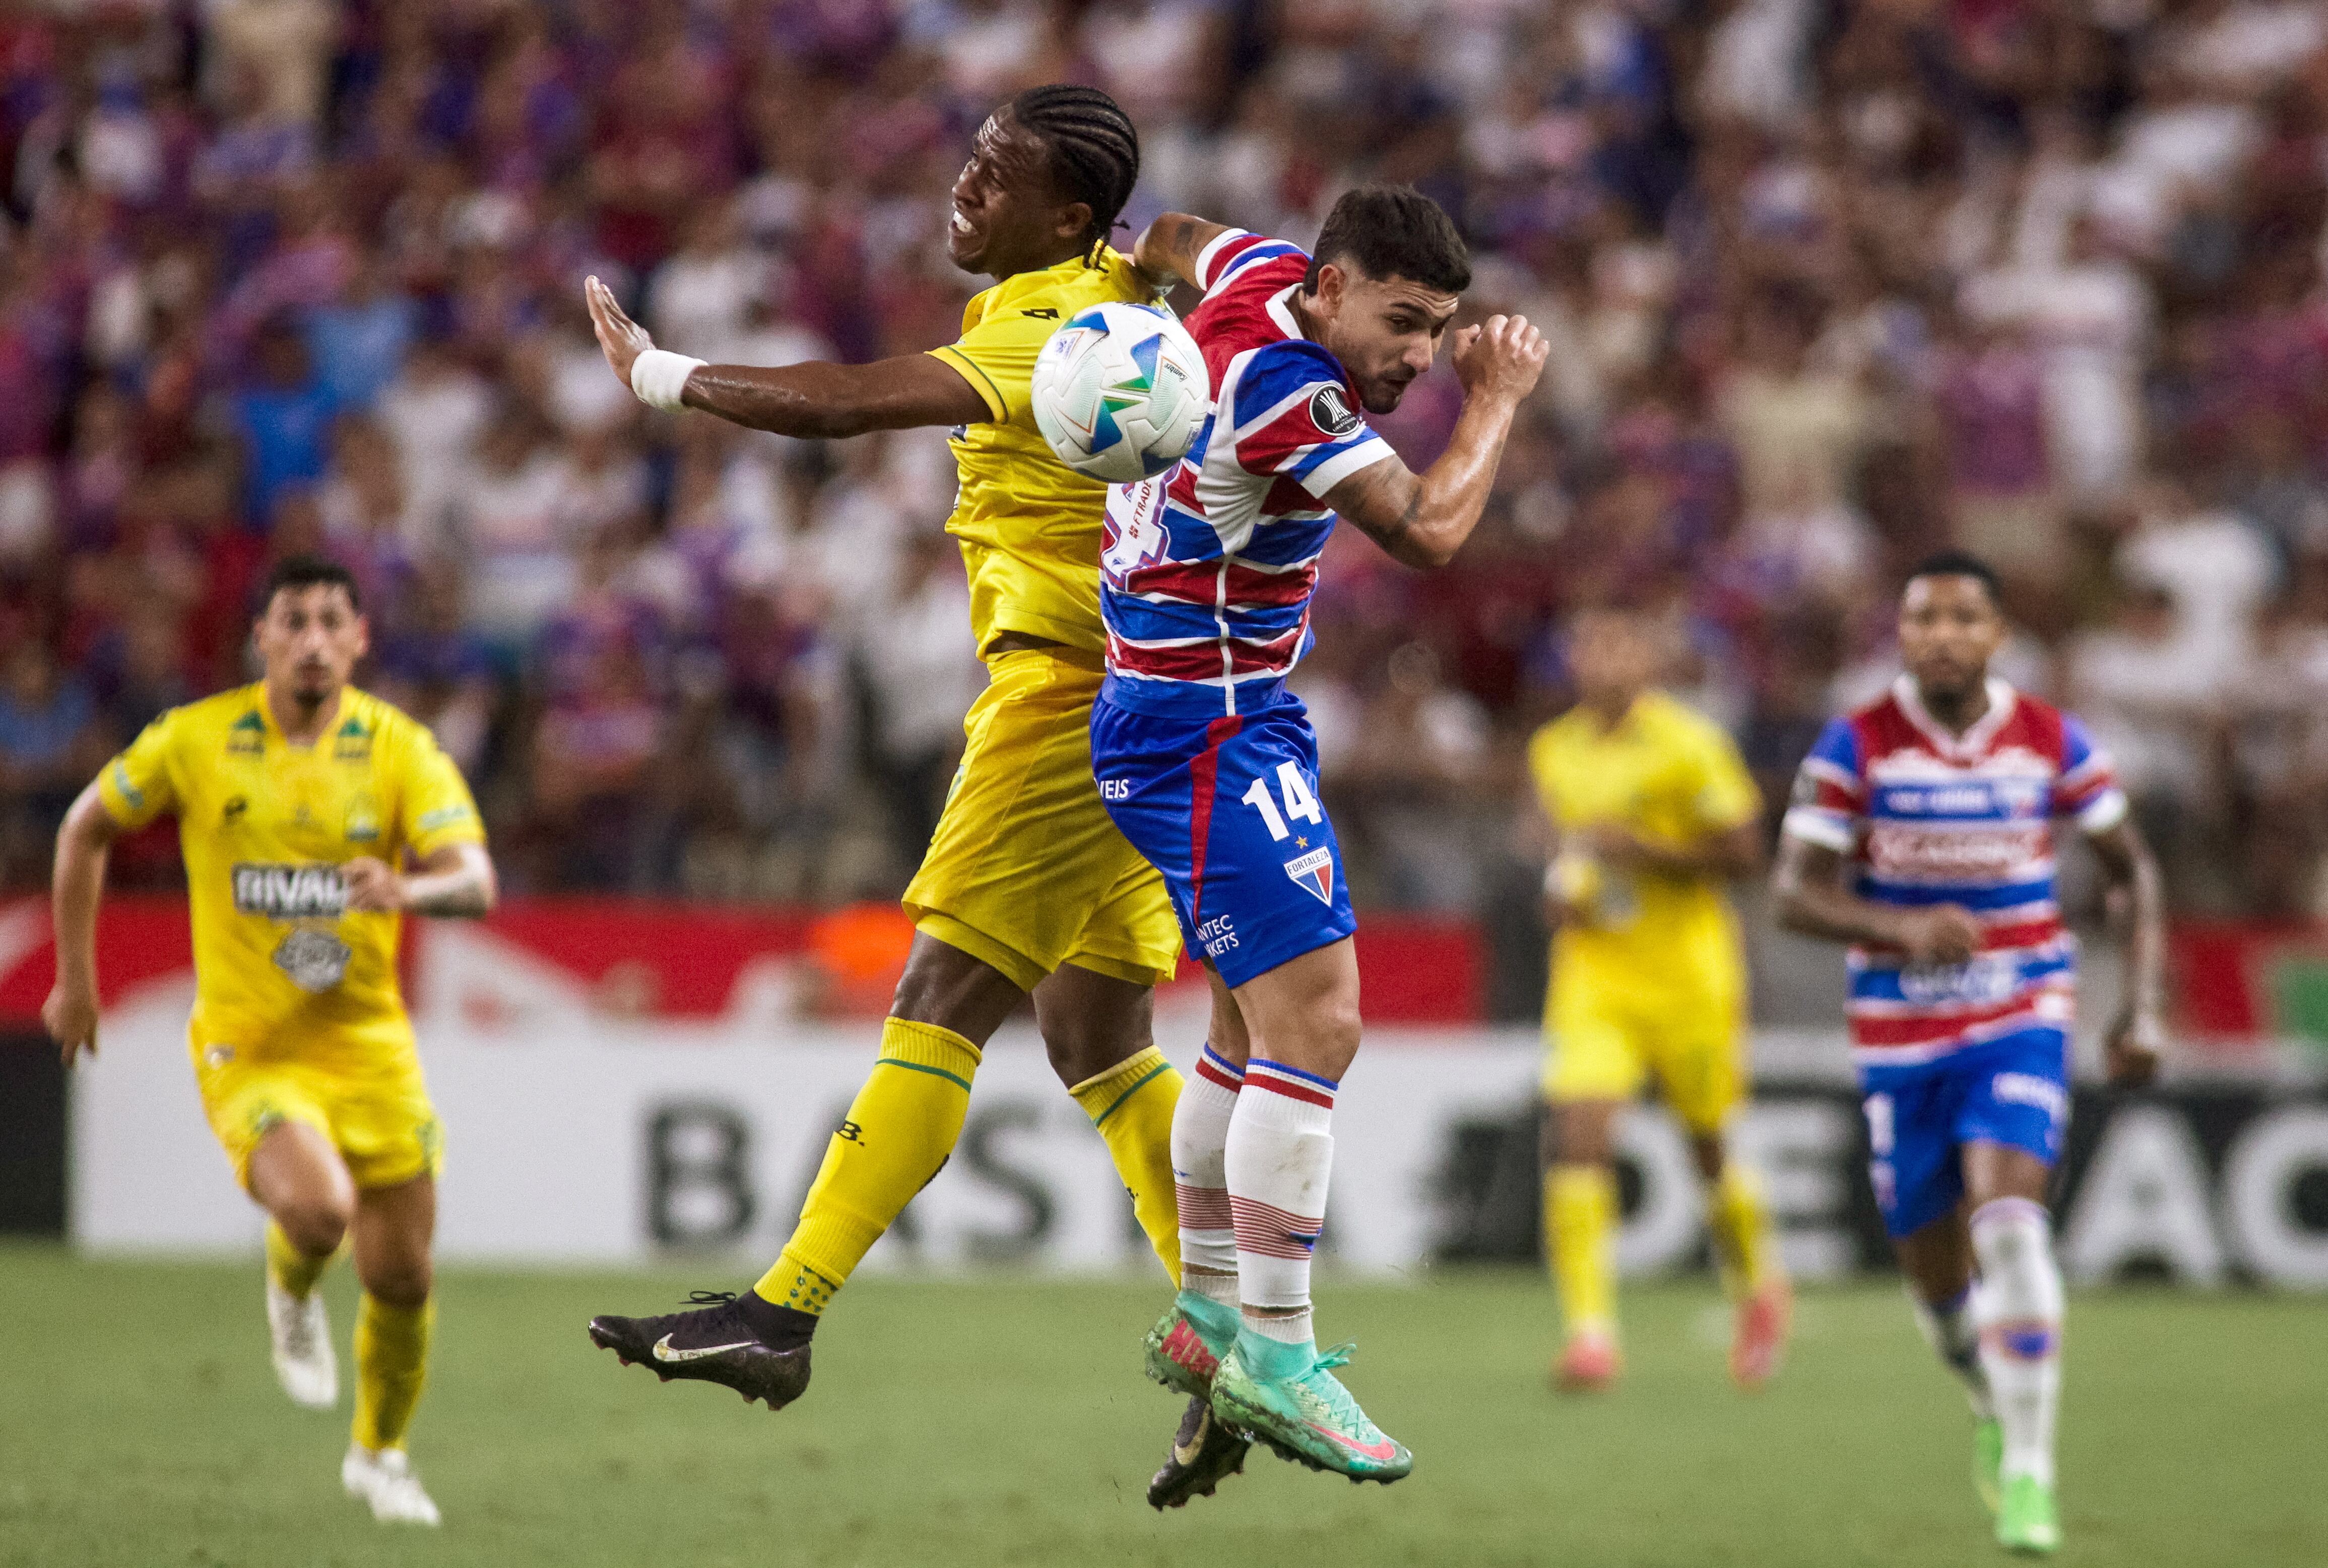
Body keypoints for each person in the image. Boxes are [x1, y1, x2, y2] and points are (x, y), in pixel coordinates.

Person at [575, 84, 1217, 1496]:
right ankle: (1234, 1345)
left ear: (1070, 214)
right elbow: (1179, 252)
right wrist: (1188, 246)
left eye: (998, 173)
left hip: (1065, 700)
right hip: (1147, 693)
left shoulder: (1057, 333)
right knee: (1094, 1028)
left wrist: (663, 376)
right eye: (970, 159)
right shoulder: (1113, 290)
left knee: (941, 996)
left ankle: (782, 1311)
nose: (964, 187)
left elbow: (851, 404)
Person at [1094, 188, 1547, 1486]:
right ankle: (1279, 1355)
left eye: (1442, 331)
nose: (1421, 356)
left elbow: (1172, 233)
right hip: (1205, 731)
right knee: (1321, 1024)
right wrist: (1497, 399)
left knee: (1248, 1031)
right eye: (1403, 323)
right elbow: (1433, 529)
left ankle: (1209, 1311)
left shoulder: (1255, 271)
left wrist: (1129, 306)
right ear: (1334, 288)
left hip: (1203, 711)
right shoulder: (1285, 388)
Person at [43, 554, 499, 1527]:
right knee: (320, 1210)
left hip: (369, 1045)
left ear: (361, 640)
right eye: (294, 620)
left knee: (403, 1275)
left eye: (333, 621)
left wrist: (408, 888)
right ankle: (291, 1291)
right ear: (261, 638)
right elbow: (84, 830)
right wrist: (76, 983)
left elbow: (475, 881)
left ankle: (380, 1457)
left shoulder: (400, 748)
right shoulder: (196, 740)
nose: (314, 640)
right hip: (250, 1045)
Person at [1772, 549, 2165, 1555]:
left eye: (1962, 618)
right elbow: (1792, 893)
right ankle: (1990, 1397)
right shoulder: (1858, 742)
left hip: (2020, 1009)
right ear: (1901, 636)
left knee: (2012, 1226)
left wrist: (2141, 1008)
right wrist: (1896, 928)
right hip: (1898, 1034)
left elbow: (2132, 869)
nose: (1942, 636)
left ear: (1998, 634)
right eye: (1923, 620)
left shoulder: (2051, 738)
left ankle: (2033, 1473)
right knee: (1940, 1290)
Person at [1526, 605, 1789, 1393]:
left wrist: (1645, 850)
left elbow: (1747, 853)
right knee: (1579, 1131)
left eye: (1618, 644)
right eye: (1588, 645)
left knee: (1708, 1144)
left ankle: (1758, 1288)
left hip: (1688, 975)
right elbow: (1565, 848)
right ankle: (1591, 1336)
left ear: (1646, 660)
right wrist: (1563, 891)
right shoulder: (1554, 747)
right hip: (1595, 972)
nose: (1601, 659)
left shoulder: (1690, 742)